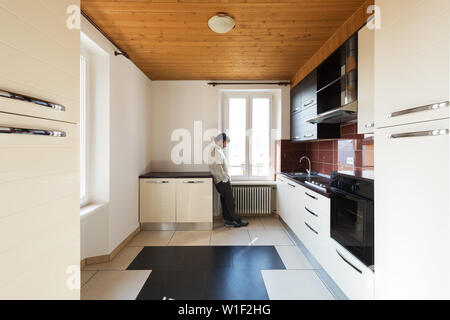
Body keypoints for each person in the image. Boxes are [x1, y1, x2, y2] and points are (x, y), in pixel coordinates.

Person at [209, 133, 249, 228]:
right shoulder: (217, 151)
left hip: (220, 181)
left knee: (225, 201)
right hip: (222, 181)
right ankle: (237, 221)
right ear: (220, 141)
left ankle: (228, 221)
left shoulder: (216, 150)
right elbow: (218, 167)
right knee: (230, 202)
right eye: (225, 143)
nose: (226, 145)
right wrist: (225, 179)